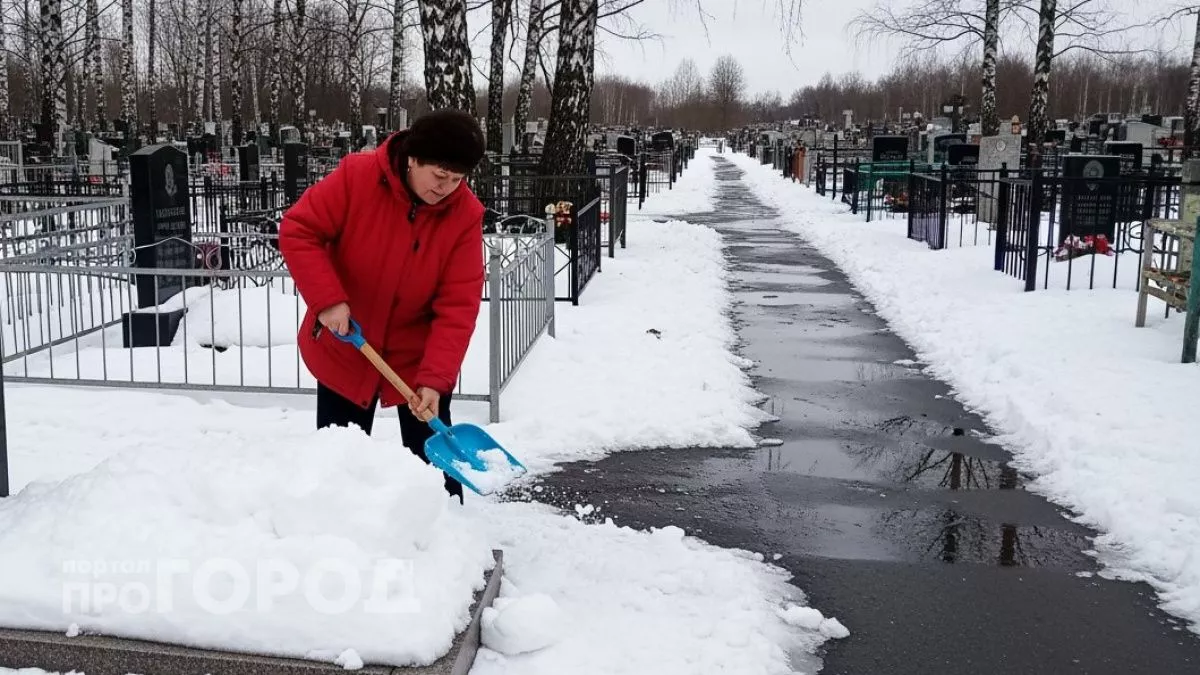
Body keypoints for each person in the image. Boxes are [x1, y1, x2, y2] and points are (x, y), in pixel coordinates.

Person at [278, 110, 487, 501]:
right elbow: (299, 229)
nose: (446, 188)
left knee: (436, 473)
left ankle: (448, 530)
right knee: (340, 466)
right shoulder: (357, 178)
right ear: (413, 158)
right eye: (440, 175)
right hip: (348, 344)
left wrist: (435, 379)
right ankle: (338, 528)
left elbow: (458, 305)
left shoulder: (464, 215)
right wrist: (328, 300)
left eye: (457, 179)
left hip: (416, 357)